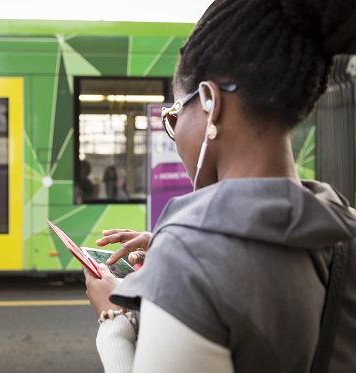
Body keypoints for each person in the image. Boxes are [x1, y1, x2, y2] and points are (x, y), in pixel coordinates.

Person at [83, 0, 356, 372]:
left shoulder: (190, 259)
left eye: (175, 115)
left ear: (210, 103)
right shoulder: (347, 230)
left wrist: (113, 319)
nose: (174, 132)